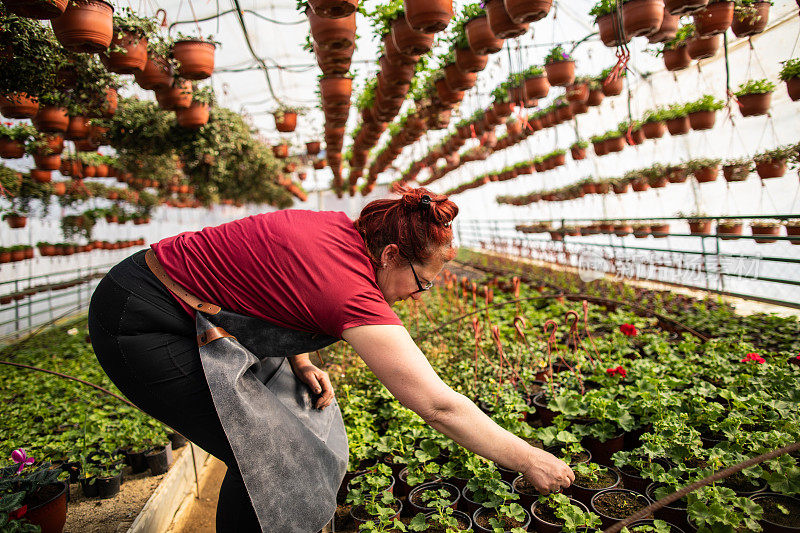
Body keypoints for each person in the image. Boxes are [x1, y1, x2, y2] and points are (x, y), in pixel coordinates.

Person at [87, 185, 573, 532]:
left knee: (301, 418)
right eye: (421, 283)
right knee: (263, 455)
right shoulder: (349, 289)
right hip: (143, 322)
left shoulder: (340, 234)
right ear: (388, 255)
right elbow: (436, 405)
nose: (419, 295)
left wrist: (301, 360)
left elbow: (274, 287)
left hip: (195, 310)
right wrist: (528, 458)